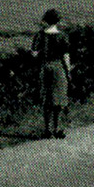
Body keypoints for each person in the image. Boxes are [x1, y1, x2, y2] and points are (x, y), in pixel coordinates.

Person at [32, 9, 72, 139]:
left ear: (45, 20)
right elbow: (66, 56)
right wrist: (68, 71)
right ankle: (57, 128)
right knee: (59, 100)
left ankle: (47, 130)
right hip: (58, 68)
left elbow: (34, 53)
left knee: (46, 99)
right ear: (58, 21)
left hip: (44, 67)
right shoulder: (62, 36)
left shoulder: (39, 35)